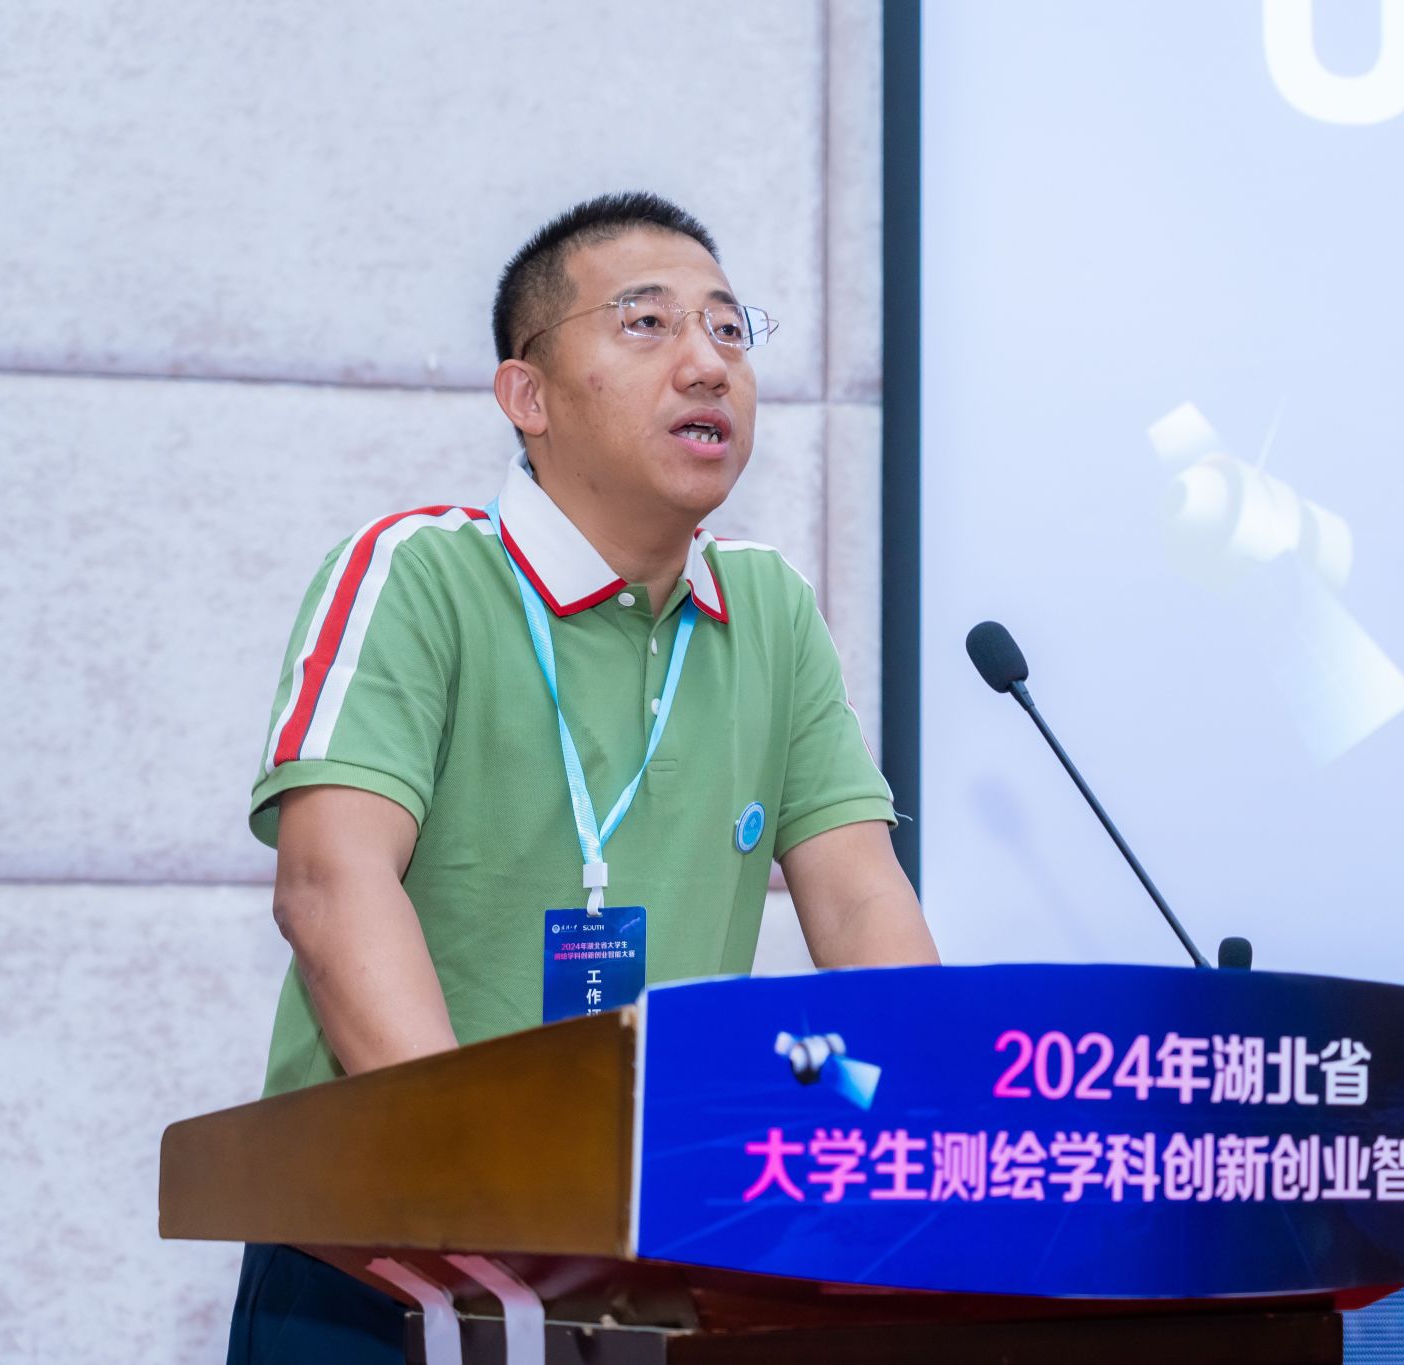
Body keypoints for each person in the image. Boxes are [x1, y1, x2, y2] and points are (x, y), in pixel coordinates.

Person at [227, 191, 938, 1363]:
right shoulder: (419, 574)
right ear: (529, 395)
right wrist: (478, 1181)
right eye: (646, 324)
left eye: (728, 329)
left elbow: (861, 898)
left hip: (654, 1250)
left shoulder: (767, 608)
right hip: (382, 1257)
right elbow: (329, 885)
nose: (706, 363)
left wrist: (930, 1146)